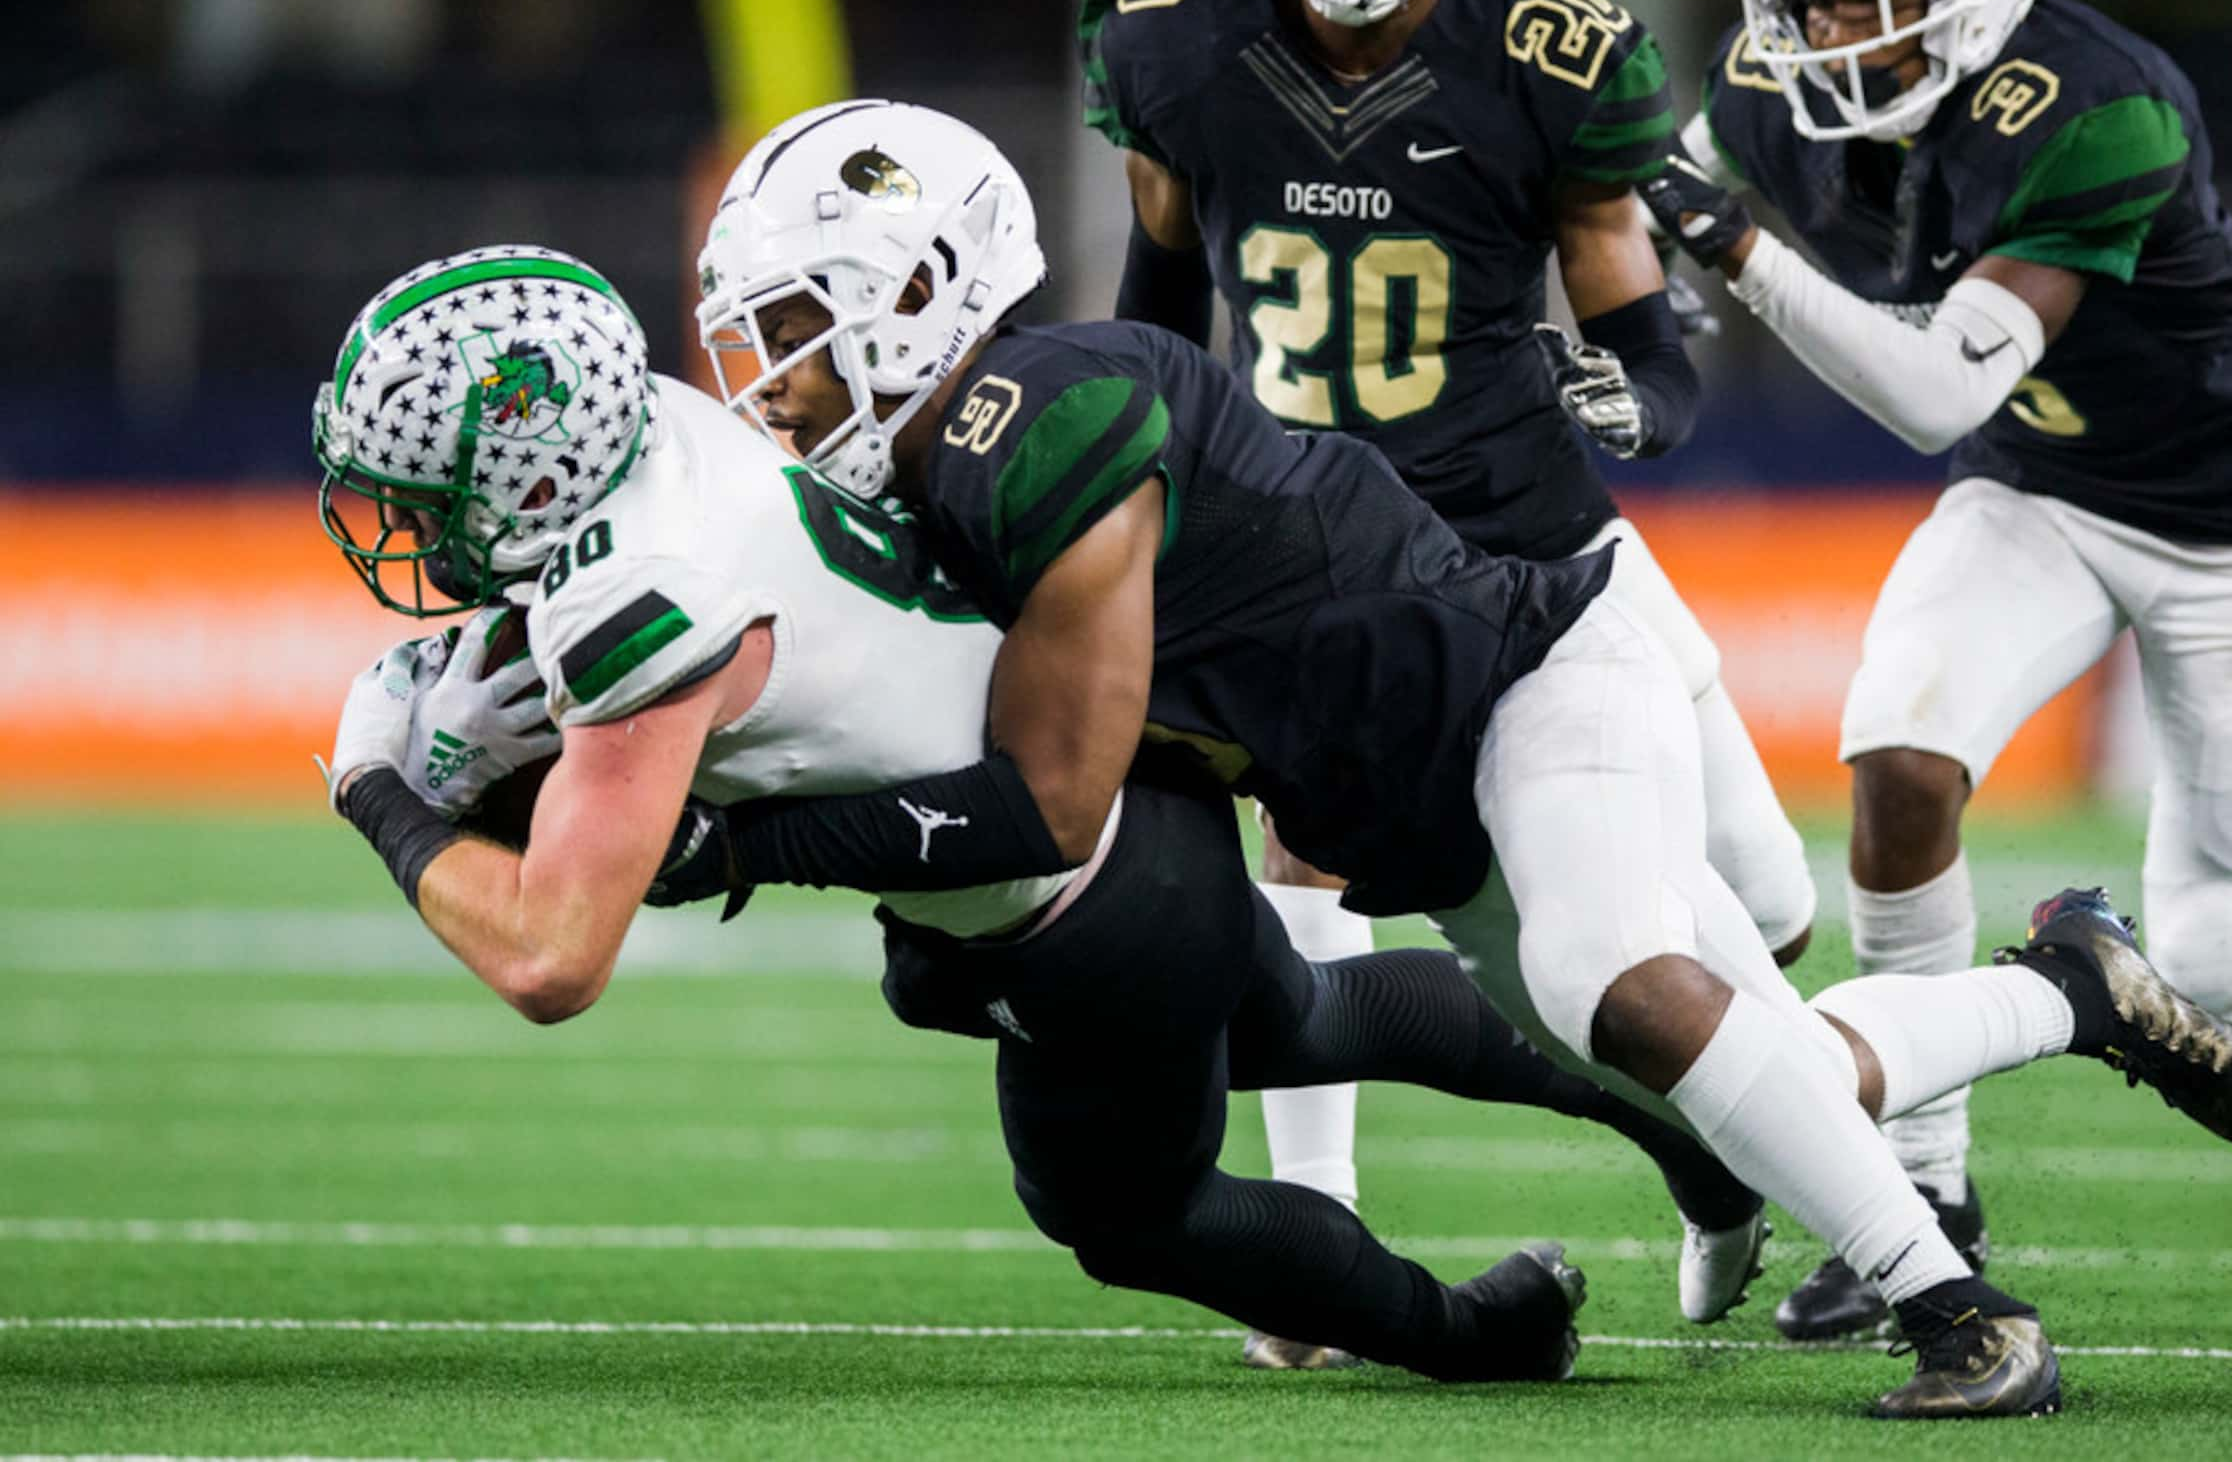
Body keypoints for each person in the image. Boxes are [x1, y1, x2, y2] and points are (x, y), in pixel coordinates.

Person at [678, 95, 2232, 1420]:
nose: (775, 374)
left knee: (1616, 982)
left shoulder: (1030, 412)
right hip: (1430, 809)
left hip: (1535, 678)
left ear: (923, 294)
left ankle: (1966, 1315)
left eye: (805, 325)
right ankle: (2073, 986)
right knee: (1776, 1074)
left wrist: (752, 849)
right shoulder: (932, 487)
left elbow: (1052, 794)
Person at [309, 236, 1807, 1384]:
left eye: (421, 489)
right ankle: (1685, 1127)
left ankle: (1480, 1335)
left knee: (1125, 1211)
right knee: (1295, 1014)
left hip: (1059, 885)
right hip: (1109, 801)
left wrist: (382, 788)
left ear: (527, 469)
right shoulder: (682, 433)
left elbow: (552, 956)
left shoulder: (637, 602)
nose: (410, 525)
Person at [1077, 0, 1817, 1361]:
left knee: (1763, 905)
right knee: (1308, 862)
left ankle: (1752, 1174)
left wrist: (1631, 390)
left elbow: (1651, 340)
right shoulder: (1172, 36)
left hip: (1533, 540)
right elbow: (1153, 309)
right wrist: (1141, 489)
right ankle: (1312, 1256)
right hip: (1306, 542)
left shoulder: (1552, 54)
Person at [1647, 0, 2232, 1344]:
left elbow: (1929, 391)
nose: (1840, 32)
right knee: (1898, 764)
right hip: (2041, 488)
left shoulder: (2096, 101)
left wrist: (1727, 246)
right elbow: (1660, 202)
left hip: (2225, 524)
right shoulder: (1776, 86)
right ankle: (1920, 1192)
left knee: (2204, 957)